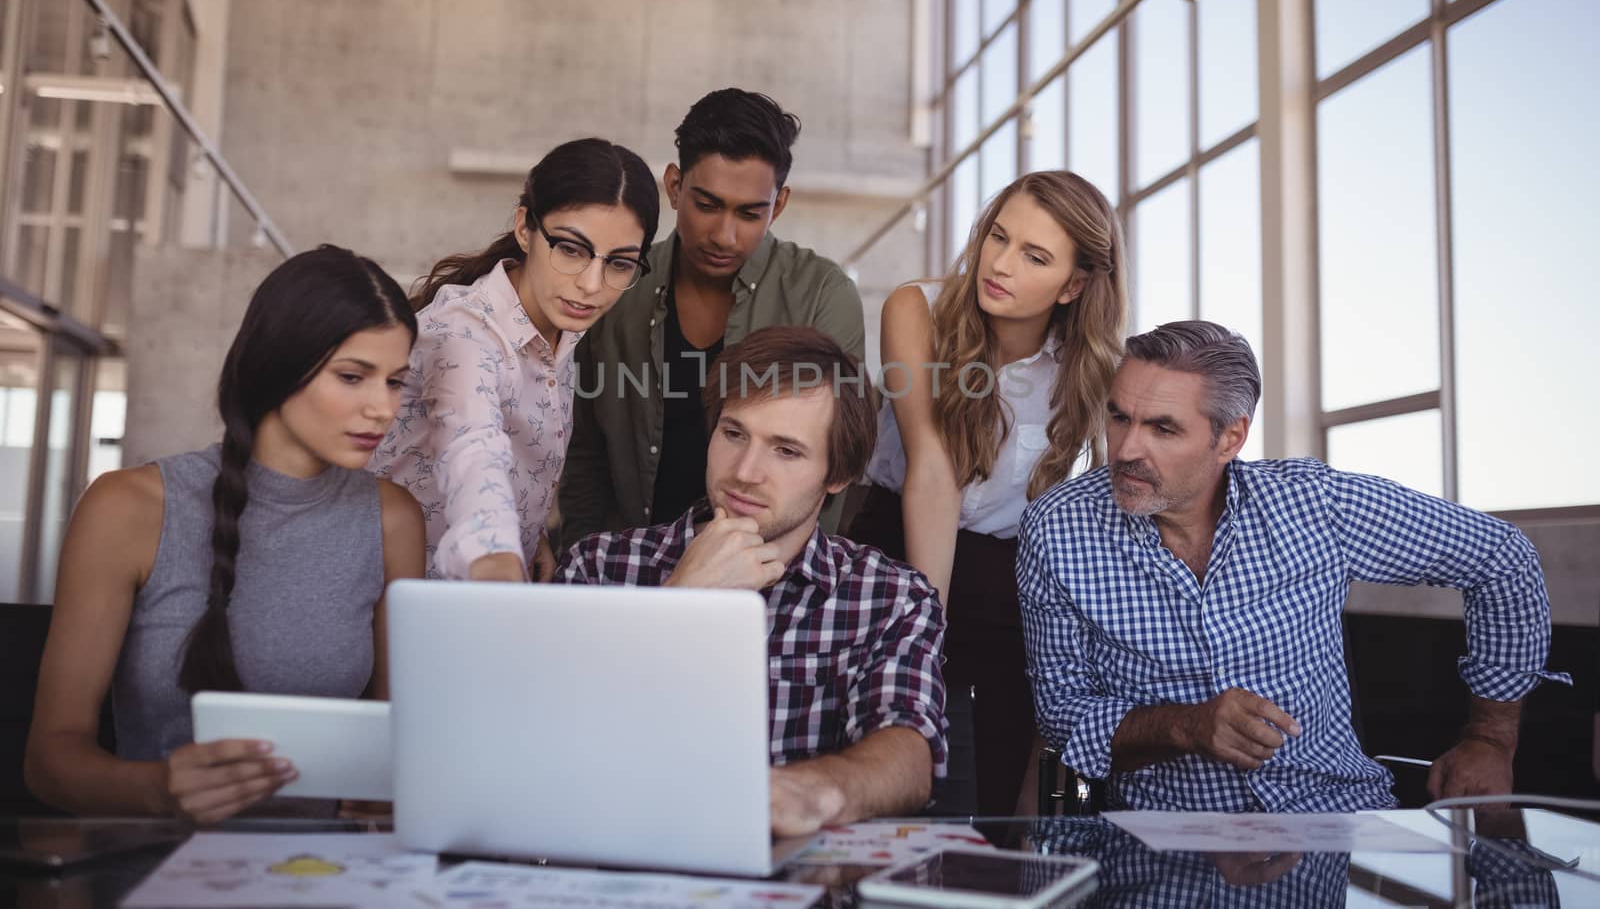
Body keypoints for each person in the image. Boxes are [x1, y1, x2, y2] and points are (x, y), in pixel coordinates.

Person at [1018, 320, 1569, 812]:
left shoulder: (1315, 505)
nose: (1125, 449)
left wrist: (1491, 738)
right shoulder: (1058, 529)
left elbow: (1503, 558)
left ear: (1230, 436)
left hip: (1332, 820)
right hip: (1165, 842)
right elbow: (1063, 717)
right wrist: (1186, 726)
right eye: (1118, 417)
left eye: (1163, 428)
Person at [24, 246, 426, 822]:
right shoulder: (128, 507)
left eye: (395, 382)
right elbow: (49, 760)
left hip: (324, 873)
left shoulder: (392, 520)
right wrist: (159, 788)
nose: (382, 408)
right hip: (158, 866)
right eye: (353, 377)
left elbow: (394, 747)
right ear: (279, 362)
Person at [556, 327, 945, 836]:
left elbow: (910, 757)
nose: (744, 472)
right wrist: (678, 602)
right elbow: (553, 742)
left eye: (786, 451)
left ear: (839, 475)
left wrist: (808, 793)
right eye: (734, 433)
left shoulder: (891, 599)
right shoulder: (599, 568)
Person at [846, 170, 1126, 817]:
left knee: (982, 802)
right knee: (878, 785)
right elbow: (933, 468)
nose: (999, 264)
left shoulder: (1093, 369)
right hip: (896, 551)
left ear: (1075, 283)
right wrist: (920, 631)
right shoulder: (916, 308)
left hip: (1004, 587)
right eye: (998, 236)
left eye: (1035, 256)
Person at [557, 89, 865, 546]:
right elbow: (585, 452)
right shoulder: (619, 285)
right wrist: (579, 564)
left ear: (778, 205)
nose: (724, 235)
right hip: (630, 564)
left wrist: (781, 582)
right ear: (675, 187)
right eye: (707, 205)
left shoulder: (822, 295)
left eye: (750, 213)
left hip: (766, 575)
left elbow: (836, 462)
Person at [370, 138, 660, 581]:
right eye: (570, 249)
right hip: (400, 602)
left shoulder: (562, 330)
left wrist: (531, 527)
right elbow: (473, 447)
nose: (591, 284)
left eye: (620, 264)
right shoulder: (464, 331)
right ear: (525, 227)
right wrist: (496, 554)